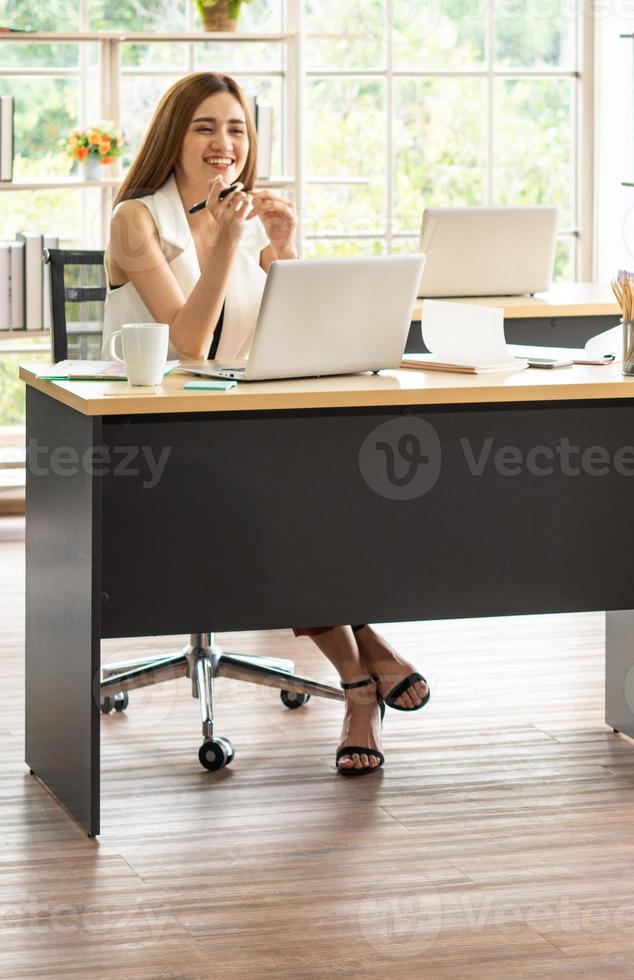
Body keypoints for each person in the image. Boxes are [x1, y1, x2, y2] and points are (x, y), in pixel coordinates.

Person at [102, 72, 430, 777]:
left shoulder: (244, 217)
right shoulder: (137, 219)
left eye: (238, 129)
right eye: (206, 128)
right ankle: (361, 671)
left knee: (322, 493)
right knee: (294, 508)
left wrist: (280, 248)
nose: (225, 144)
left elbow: (299, 334)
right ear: (174, 137)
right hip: (154, 450)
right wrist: (226, 241)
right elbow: (190, 341)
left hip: (242, 430)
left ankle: (359, 680)